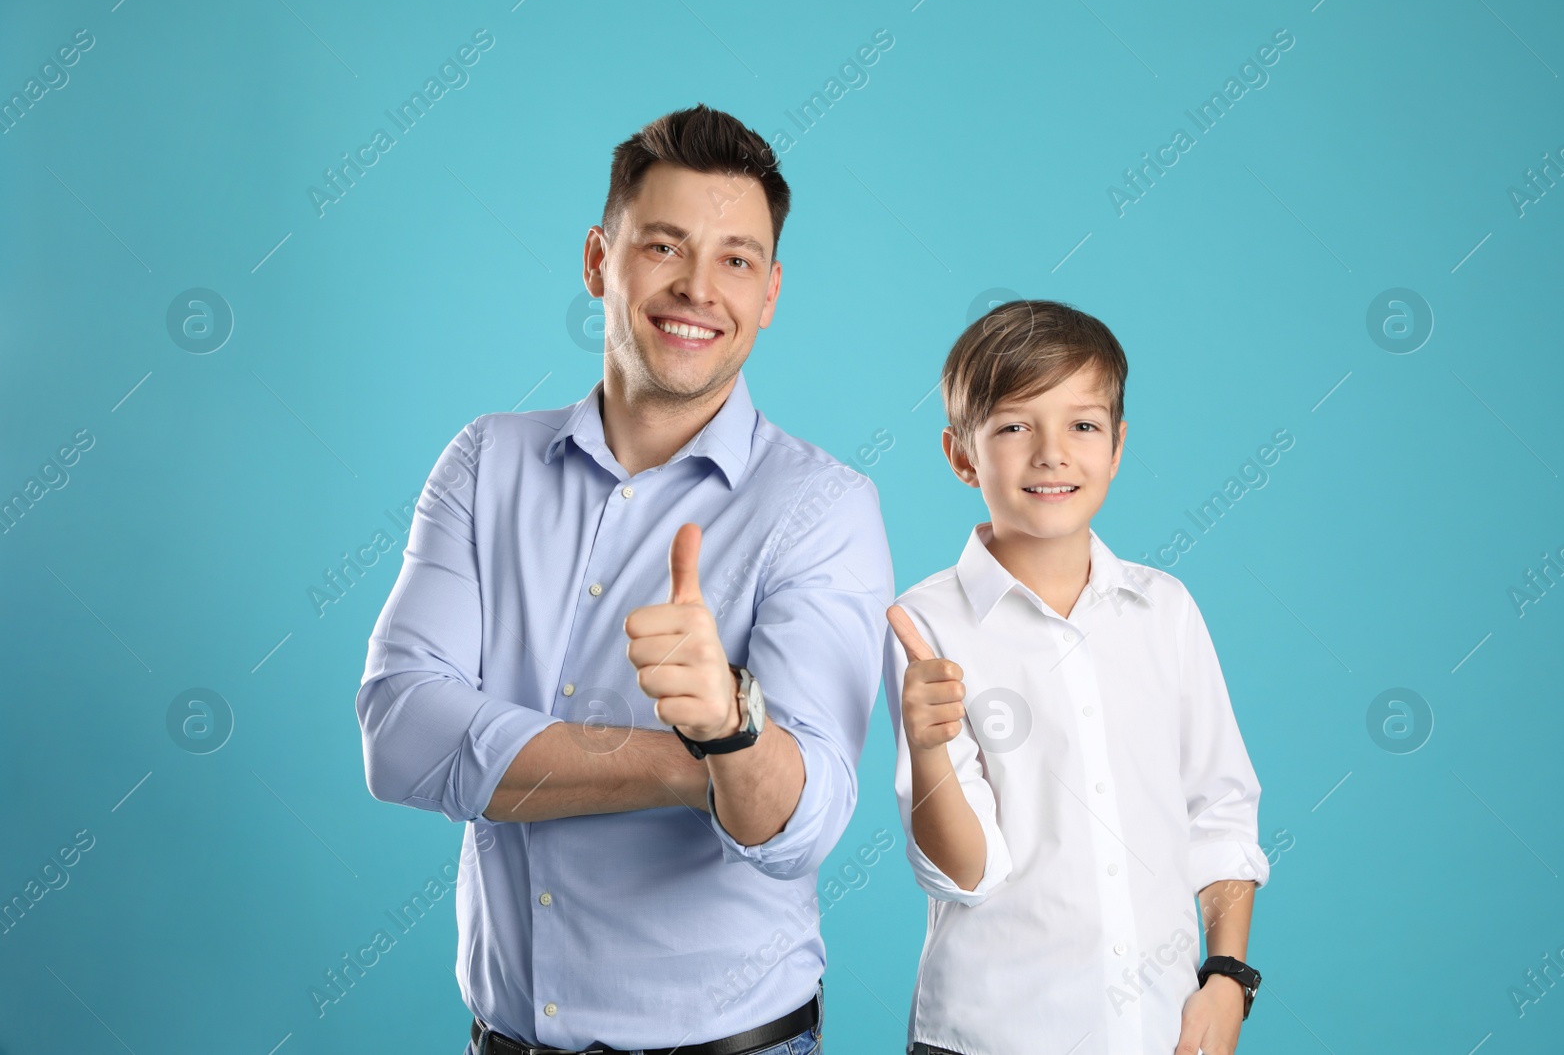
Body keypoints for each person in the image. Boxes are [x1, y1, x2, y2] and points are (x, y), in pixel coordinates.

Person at [356, 104, 893, 1055]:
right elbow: (401, 735)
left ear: (770, 292)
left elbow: (800, 825)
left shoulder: (824, 508)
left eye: (736, 259)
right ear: (600, 259)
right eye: (664, 245)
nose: (697, 287)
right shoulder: (486, 464)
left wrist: (730, 720)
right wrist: (686, 765)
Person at [882, 300, 1270, 1055]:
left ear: (1118, 445)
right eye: (1014, 425)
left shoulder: (1165, 610)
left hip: (1157, 1034)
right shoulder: (928, 626)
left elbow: (1221, 812)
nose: (1052, 453)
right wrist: (928, 753)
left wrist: (1226, 975)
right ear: (962, 455)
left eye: (1082, 425)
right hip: (989, 1038)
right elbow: (968, 871)